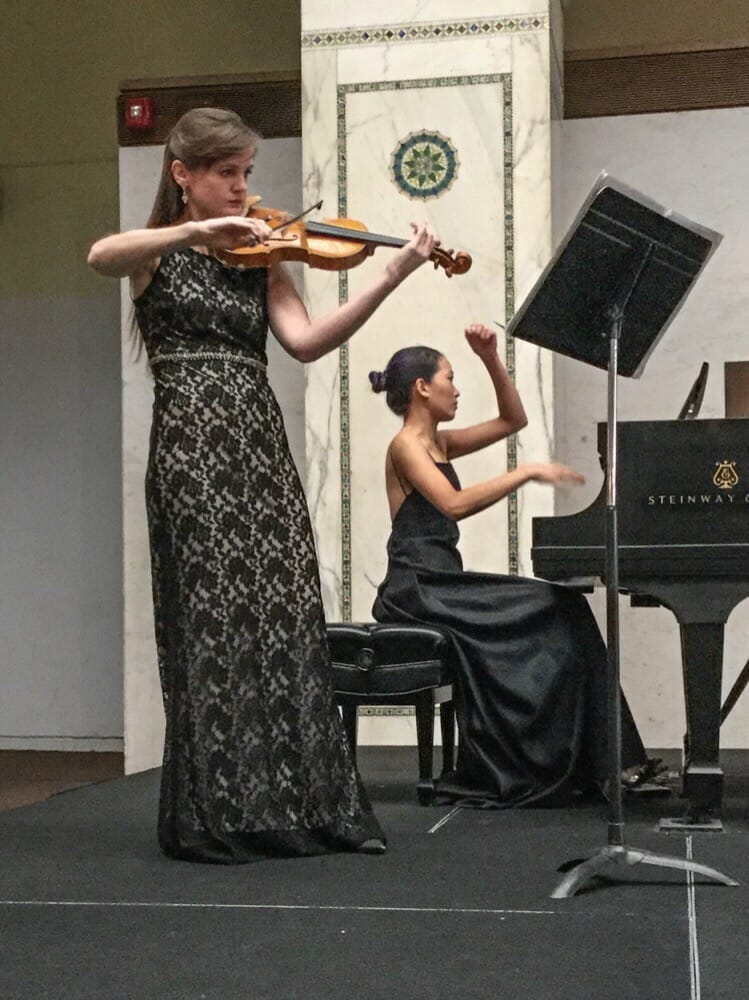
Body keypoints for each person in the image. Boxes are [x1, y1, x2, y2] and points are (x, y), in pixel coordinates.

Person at [87, 106, 438, 862]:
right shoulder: (159, 251)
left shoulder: (266, 255)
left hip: (257, 442)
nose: (243, 189)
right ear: (183, 175)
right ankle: (218, 816)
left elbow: (306, 343)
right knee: (213, 629)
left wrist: (392, 273)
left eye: (247, 173)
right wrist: (190, 232)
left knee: (282, 624)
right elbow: (101, 255)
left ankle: (305, 811)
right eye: (226, 174)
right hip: (192, 451)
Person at [369, 324, 654, 807]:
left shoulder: (440, 442)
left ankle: (609, 761)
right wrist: (524, 473)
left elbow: (512, 419)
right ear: (422, 388)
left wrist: (490, 358)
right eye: (449, 378)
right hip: (417, 586)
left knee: (566, 606)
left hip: (445, 580)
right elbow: (453, 505)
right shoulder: (406, 447)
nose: (456, 390)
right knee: (556, 606)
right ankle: (567, 760)